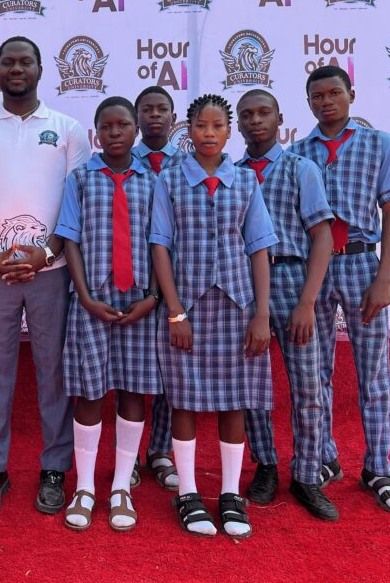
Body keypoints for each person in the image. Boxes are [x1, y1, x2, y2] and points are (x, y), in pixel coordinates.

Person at [0, 35, 90, 517]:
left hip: (52, 269)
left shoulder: (68, 129)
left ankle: (54, 469)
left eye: (25, 61)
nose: (16, 68)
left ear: (39, 69)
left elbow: (77, 199)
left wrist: (47, 252)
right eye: (7, 61)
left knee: (54, 372)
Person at [150, 93, 277, 539]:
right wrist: (175, 312)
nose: (208, 133)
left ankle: (229, 493)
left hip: (237, 307)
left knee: (234, 401)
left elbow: (259, 248)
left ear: (229, 131)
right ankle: (187, 492)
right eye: (201, 125)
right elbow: (160, 247)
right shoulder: (170, 179)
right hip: (188, 308)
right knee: (184, 399)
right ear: (188, 130)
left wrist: (261, 314)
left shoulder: (245, 181)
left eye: (217, 126)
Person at [290, 66, 390, 514]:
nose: (327, 102)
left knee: (373, 371)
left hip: (362, 263)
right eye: (318, 96)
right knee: (316, 369)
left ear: (351, 95)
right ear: (308, 102)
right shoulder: (297, 154)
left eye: (334, 93)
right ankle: (325, 457)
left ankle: (378, 466)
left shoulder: (379, 143)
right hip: (313, 268)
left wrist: (385, 277)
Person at [55, 97, 160, 532]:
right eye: (106, 126)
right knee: (90, 392)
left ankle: (120, 486)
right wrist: (84, 296)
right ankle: (84, 487)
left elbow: (161, 243)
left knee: (133, 392)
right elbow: (70, 240)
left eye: (123, 125)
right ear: (95, 133)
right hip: (93, 301)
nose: (115, 133)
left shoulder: (153, 181)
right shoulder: (80, 179)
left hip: (139, 303)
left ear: (136, 130)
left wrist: (152, 297)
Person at [235, 89, 338, 521]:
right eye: (247, 115)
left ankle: (307, 474)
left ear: (279, 119)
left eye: (264, 113)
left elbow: (323, 237)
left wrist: (308, 302)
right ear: (238, 124)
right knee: (252, 386)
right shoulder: (232, 174)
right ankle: (265, 465)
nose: (256, 121)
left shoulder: (301, 168)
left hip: (294, 280)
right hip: (245, 285)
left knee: (308, 387)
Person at [131, 85, 184, 491]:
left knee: (171, 370)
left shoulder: (187, 165)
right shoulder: (118, 161)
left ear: (172, 117)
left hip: (175, 279)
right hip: (130, 278)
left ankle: (161, 450)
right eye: (146, 109)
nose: (154, 115)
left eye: (161, 109)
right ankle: (129, 454)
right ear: (136, 118)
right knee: (129, 371)